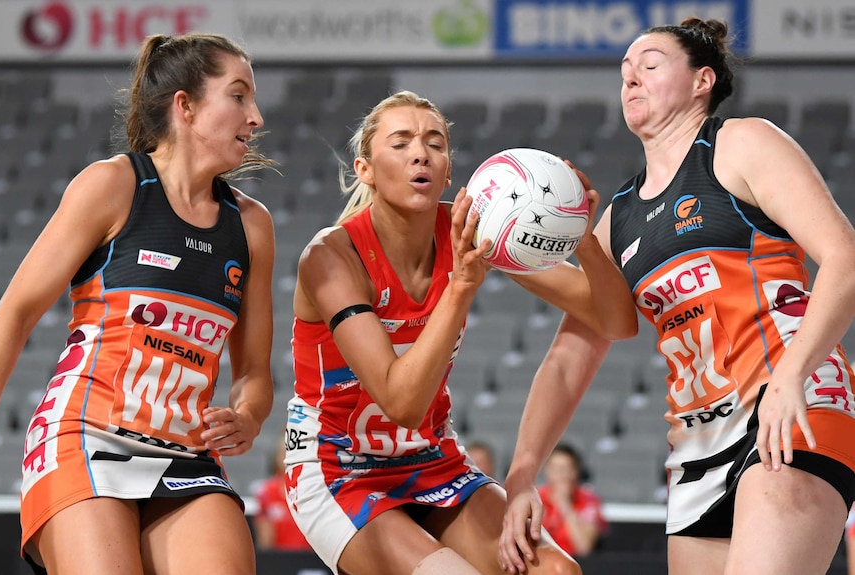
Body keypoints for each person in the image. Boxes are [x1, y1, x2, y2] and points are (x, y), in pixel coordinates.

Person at [500, 17, 855, 575]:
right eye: (624, 73)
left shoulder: (741, 143)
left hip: (786, 397)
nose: (631, 81)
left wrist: (792, 375)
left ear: (701, 81)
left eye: (649, 65)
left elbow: (846, 259)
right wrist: (521, 476)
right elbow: (571, 356)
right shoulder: (617, 218)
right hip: (696, 442)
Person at [283, 90, 637, 575]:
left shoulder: (476, 229)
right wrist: (461, 287)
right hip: (338, 465)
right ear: (365, 169)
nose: (420, 153)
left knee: (558, 572)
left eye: (435, 143)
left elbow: (616, 322)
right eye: (401, 142)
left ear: (448, 171)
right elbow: (402, 404)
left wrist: (582, 239)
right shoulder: (330, 257)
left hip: (431, 458)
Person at [0, 33, 277, 574]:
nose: (256, 116)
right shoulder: (113, 185)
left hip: (186, 453)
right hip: (83, 434)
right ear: (185, 106)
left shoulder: (252, 225)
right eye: (239, 96)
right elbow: (14, 314)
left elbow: (255, 375)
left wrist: (247, 415)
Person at [537, 443, 607, 558]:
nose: (563, 476)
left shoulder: (589, 500)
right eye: (557, 470)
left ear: (576, 471)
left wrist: (566, 505)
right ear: (547, 471)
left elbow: (584, 548)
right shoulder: (536, 498)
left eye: (568, 469)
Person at [253, 437, 312, 552]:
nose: (288, 459)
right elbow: (265, 541)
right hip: (279, 560)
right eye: (284, 453)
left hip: (312, 560)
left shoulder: (314, 489)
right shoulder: (266, 492)